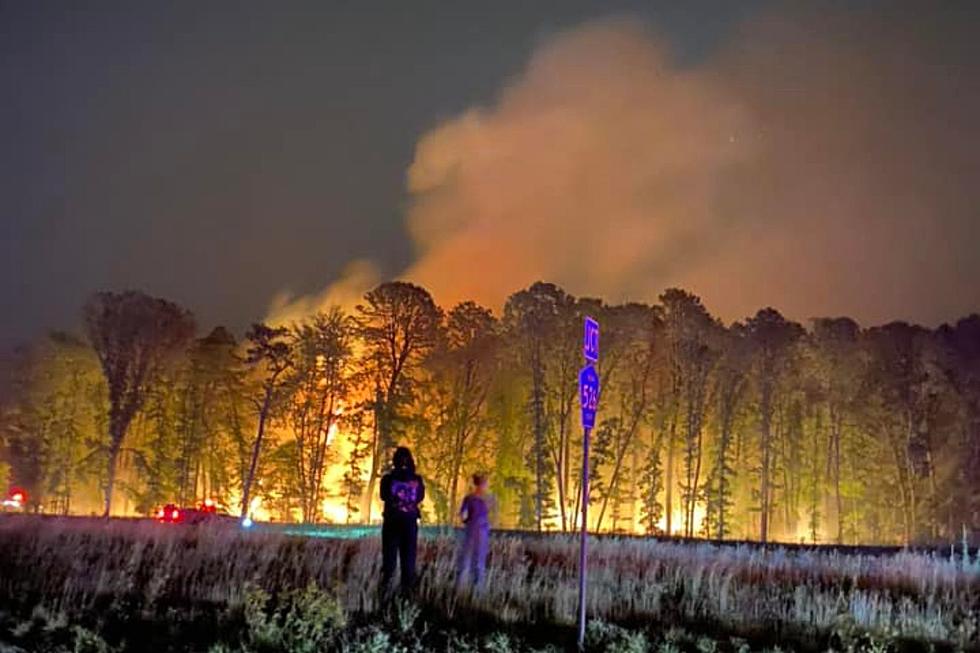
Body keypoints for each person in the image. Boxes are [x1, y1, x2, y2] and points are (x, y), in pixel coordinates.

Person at [379, 446, 425, 598]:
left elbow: (384, 496)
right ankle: (407, 596)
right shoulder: (417, 480)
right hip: (410, 523)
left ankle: (385, 595)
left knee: (389, 561)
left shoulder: (388, 479)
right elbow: (419, 497)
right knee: (408, 561)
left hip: (392, 523)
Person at [456, 473, 492, 590]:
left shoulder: (469, 498)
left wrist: (466, 522)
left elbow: (462, 515)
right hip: (481, 530)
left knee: (466, 559)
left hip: (471, 529)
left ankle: (461, 588)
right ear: (482, 484)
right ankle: (478, 589)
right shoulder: (487, 499)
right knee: (479, 560)